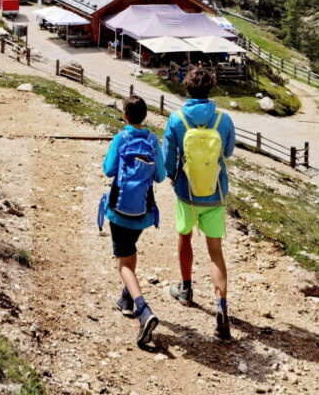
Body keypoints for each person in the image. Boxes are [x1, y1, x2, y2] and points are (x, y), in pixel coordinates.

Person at [162, 65, 236, 340]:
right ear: (210, 88)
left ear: (187, 87)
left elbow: (169, 157)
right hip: (215, 192)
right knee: (215, 251)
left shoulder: (176, 119)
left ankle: (186, 289)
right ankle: (221, 308)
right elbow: (227, 151)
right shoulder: (223, 120)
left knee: (185, 236)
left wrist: (172, 177)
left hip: (187, 191)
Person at [101, 95, 166, 347]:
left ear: (125, 116)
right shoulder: (152, 140)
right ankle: (126, 299)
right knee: (131, 250)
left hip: (118, 209)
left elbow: (108, 170)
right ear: (145, 116)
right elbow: (160, 176)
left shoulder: (121, 138)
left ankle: (143, 309)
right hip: (142, 212)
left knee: (122, 263)